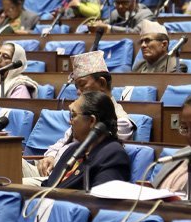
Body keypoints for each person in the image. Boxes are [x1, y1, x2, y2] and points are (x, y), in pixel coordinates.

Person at [28, 51, 136, 181]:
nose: (78, 92)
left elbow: (94, 153)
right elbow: (62, 142)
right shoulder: (85, 113)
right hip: (53, 170)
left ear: (102, 83)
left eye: (82, 85)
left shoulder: (120, 121)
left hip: (71, 177)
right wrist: (50, 156)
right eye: (76, 87)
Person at [42, 91, 131, 190]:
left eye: (73, 115)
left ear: (92, 121)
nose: (69, 121)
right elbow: (49, 184)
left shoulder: (113, 154)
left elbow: (101, 197)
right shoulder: (73, 149)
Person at [88, 0, 155, 34]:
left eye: (125, 2)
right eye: (117, 3)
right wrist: (96, 25)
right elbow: (105, 24)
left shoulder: (146, 15)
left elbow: (136, 33)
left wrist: (108, 28)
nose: (120, 6)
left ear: (136, 2)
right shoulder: (115, 14)